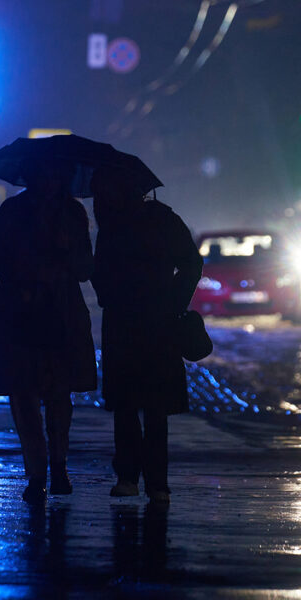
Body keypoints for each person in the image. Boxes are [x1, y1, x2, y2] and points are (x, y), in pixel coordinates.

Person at [0, 159, 97, 505]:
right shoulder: (12, 211)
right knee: (24, 395)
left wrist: (67, 248)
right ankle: (36, 473)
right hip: (18, 314)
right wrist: (23, 267)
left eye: (57, 174)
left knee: (59, 394)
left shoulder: (73, 214)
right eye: (45, 173)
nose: (51, 180)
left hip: (60, 313)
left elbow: (85, 268)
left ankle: (58, 467)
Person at [90, 165, 203, 504]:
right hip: (158, 322)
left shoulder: (112, 225)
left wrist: (109, 296)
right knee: (155, 408)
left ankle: (129, 478)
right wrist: (174, 300)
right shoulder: (164, 220)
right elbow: (191, 264)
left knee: (127, 405)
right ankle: (157, 484)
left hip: (127, 322)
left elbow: (99, 271)